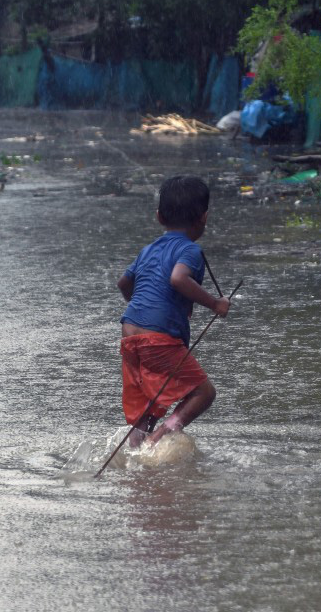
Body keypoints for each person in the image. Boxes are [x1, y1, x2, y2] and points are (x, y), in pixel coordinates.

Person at [117, 175, 230, 447]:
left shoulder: (148, 249)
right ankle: (157, 442)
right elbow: (178, 279)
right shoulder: (190, 249)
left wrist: (144, 308)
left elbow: (123, 283)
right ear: (204, 218)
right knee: (204, 393)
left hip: (130, 331)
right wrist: (215, 303)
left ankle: (135, 455)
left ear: (158, 216)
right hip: (158, 338)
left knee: (149, 405)